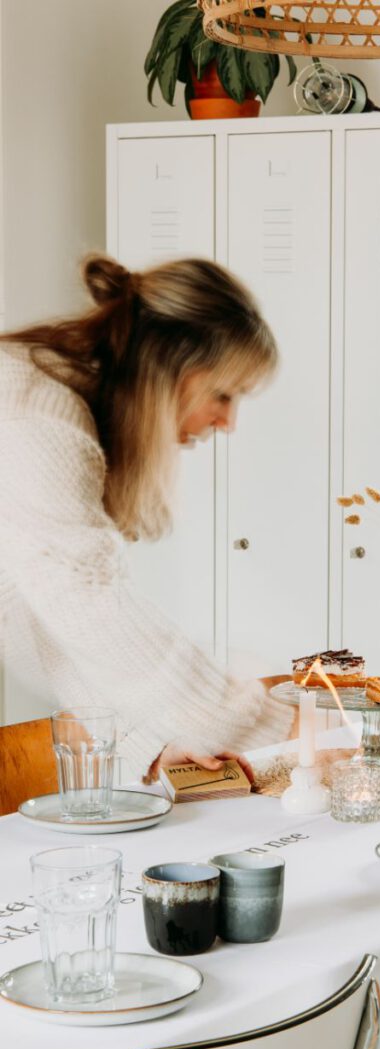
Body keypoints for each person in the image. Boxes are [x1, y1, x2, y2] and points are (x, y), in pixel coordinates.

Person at [0, 254, 292, 780]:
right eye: (222, 394)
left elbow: (36, 605)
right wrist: (273, 728)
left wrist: (152, 740)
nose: (227, 422)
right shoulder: (36, 415)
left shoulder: (58, 406)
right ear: (167, 369)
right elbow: (87, 600)